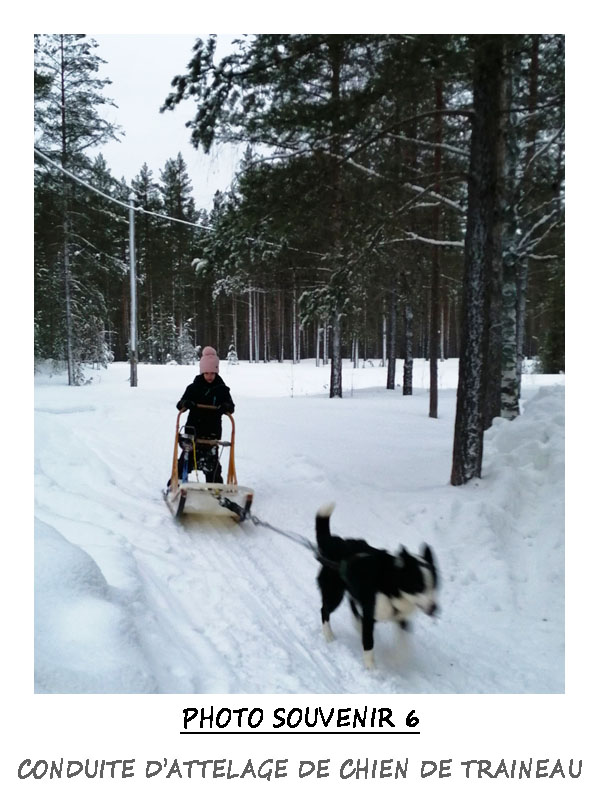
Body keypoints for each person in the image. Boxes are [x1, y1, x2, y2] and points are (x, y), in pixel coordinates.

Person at [172, 346, 235, 484]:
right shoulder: (193, 388)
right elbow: (180, 404)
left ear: (216, 371)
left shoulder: (222, 389)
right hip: (193, 431)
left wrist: (226, 407)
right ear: (202, 372)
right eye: (206, 373)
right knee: (185, 461)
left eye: (212, 373)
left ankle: (215, 490)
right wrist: (186, 403)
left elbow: (231, 406)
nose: (210, 376)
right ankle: (175, 484)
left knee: (212, 466)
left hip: (211, 433)